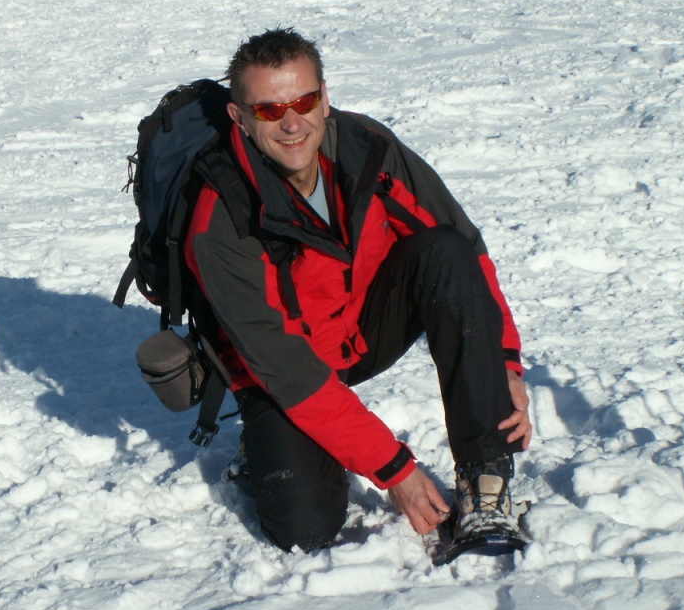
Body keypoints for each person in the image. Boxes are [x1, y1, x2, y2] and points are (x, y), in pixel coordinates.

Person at [184, 28, 533, 552]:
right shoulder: (220, 221)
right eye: (270, 110)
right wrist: (394, 469)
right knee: (305, 528)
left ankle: (485, 483)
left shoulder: (367, 149)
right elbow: (288, 370)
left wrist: (502, 360)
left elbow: (464, 248)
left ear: (324, 97)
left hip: (358, 331)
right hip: (279, 375)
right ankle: (261, 449)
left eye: (304, 101)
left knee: (444, 252)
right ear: (240, 117)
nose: (292, 123)